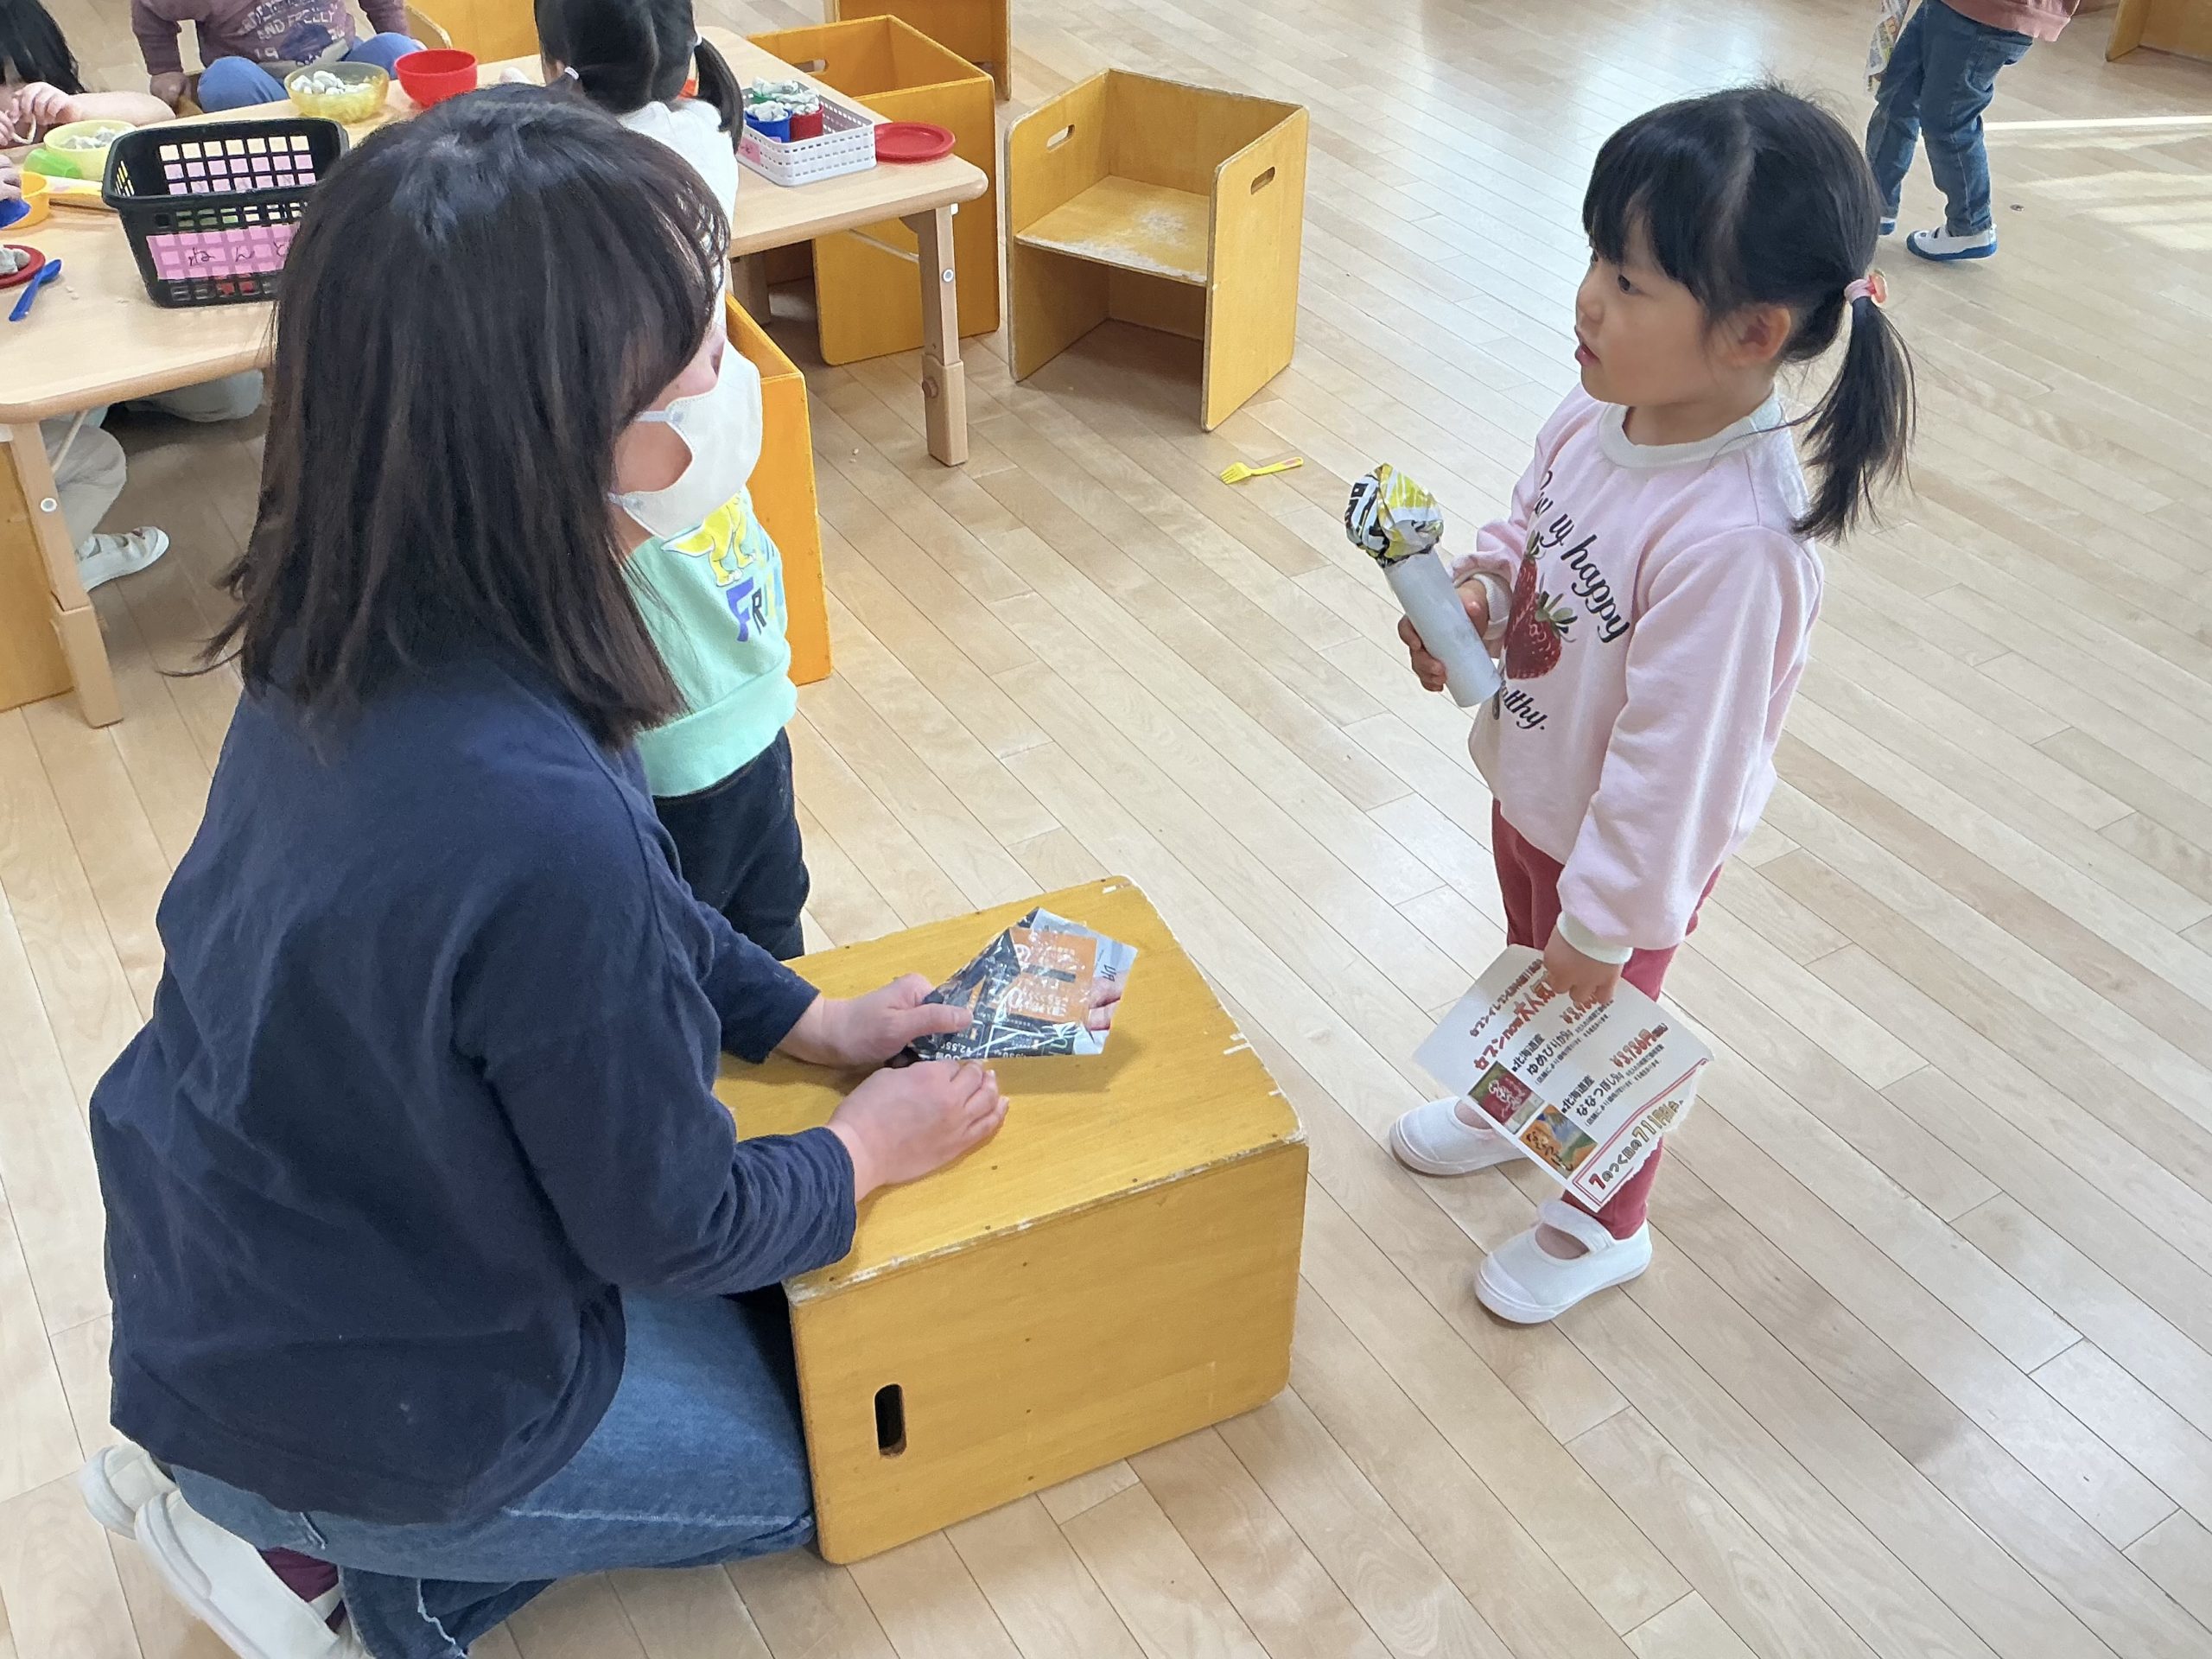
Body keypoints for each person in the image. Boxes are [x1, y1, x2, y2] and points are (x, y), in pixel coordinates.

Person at [79, 90, 1009, 1659]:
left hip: (231, 1275)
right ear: (560, 434)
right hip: (355, 1396)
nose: (728, 379)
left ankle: (287, 1505)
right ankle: (314, 1565)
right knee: (823, 1466)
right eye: (695, 354)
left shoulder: (359, 616)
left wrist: (801, 1016)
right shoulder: (533, 811)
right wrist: (864, 1149)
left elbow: (627, 906)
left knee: (752, 1327)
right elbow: (674, 1226)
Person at [1388, 86, 1913, 1324]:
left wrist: (1607, 921)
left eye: (1627, 282)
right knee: (1533, 966)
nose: (1587, 300)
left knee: (1605, 1024)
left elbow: (1679, 772)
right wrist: (1479, 590)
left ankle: (1602, 1225)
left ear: (1750, 332)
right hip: (1538, 781)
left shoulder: (1737, 544)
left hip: (1630, 853)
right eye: (1594, 259)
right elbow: (1530, 522)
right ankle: (1512, 1099)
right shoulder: (1595, 411)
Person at [537, 0, 807, 957]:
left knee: (711, 958)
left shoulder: (640, 436)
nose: (716, 359)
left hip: (701, 731)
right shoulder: (694, 145)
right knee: (754, 950)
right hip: (734, 708)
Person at [2, 0, 264, 588]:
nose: (12, 102)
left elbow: (155, 112)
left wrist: (74, 108)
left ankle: (113, 402)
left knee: (236, 394)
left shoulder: (67, 127)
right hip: (36, 342)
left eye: (24, 80)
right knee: (75, 431)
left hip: (106, 309)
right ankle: (62, 560)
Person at [1866, 0, 2080, 264]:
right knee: (1898, 95)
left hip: (1985, 15)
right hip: (1952, 7)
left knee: (1949, 119)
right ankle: (1873, 202)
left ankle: (1970, 225)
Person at [129, 0, 418, 113]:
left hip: (347, 69)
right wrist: (165, 68)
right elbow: (150, 9)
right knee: (224, 81)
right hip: (268, 88)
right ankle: (289, 147)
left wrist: (397, 33)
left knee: (397, 49)